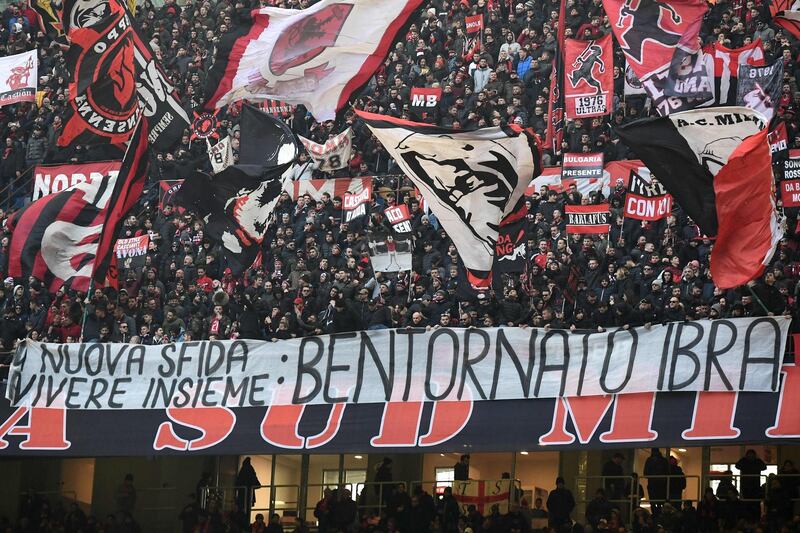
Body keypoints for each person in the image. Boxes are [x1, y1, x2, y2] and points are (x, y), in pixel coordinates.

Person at [735, 449, 766, 519]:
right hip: (746, 486)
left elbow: (764, 467)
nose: (750, 456)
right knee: (747, 503)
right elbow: (737, 466)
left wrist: (758, 459)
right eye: (749, 455)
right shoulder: (744, 461)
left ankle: (756, 519)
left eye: (752, 455)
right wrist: (744, 459)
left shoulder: (757, 461)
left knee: (755, 503)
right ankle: (747, 519)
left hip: (755, 486)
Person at [643, 448, 669, 516]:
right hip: (659, 484)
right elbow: (667, 472)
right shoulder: (663, 460)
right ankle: (658, 515)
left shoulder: (650, 460)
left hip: (656, 484)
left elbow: (645, 473)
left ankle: (656, 515)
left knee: (655, 502)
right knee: (657, 502)